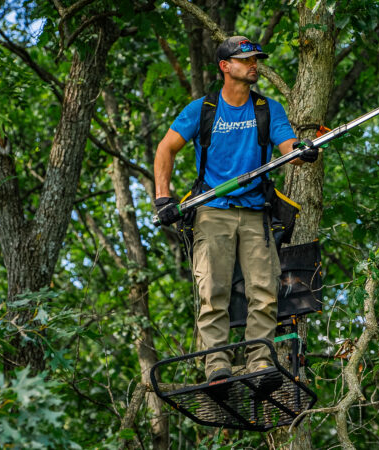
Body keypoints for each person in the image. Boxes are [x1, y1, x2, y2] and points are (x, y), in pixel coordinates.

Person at [152, 36, 318, 393]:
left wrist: (300, 151)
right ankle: (217, 366)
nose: (254, 64)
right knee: (213, 289)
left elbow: (286, 145)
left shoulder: (267, 108)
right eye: (246, 59)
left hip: (256, 212)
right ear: (225, 66)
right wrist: (162, 198)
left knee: (265, 289)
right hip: (212, 211)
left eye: (256, 59)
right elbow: (165, 148)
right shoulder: (203, 109)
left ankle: (260, 361)